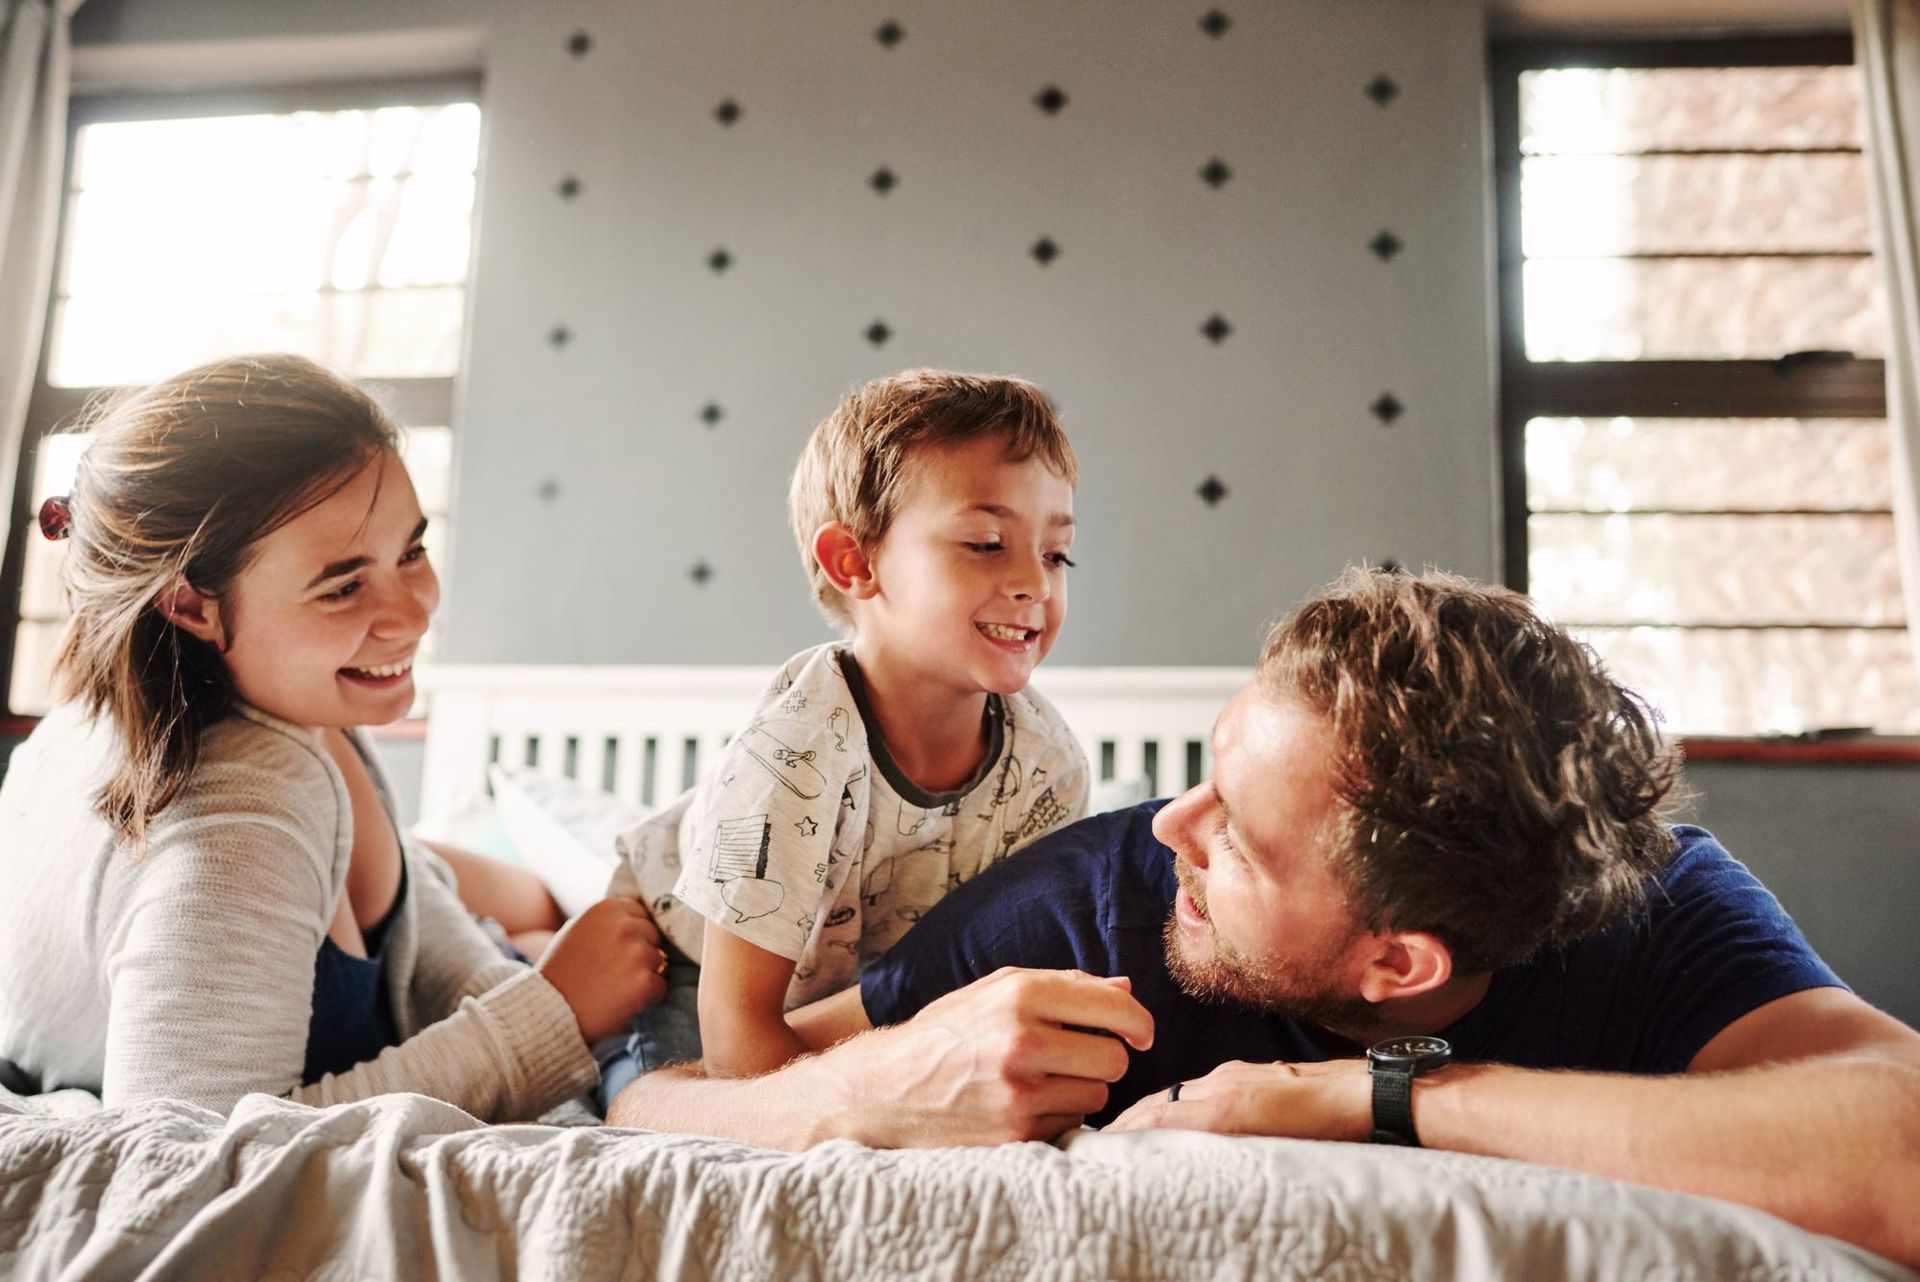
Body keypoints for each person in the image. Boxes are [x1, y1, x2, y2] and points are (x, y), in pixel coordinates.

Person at [609, 569, 1920, 1270]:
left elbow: (1901, 1150)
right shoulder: (1090, 906)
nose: (1173, 822)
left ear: (1399, 958)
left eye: (1235, 824)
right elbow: (649, 1108)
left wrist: (1370, 1095)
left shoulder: (1656, 901)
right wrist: (885, 1077)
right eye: (1207, 767)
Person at [0, 354, 667, 1118]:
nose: (416, 611)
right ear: (189, 605)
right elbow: (195, 1154)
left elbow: (421, 916)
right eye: (344, 585)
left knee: (559, 899)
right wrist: (555, 1016)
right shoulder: (233, 816)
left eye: (411, 551)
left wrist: (516, 989)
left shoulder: (230, 704)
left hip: (434, 905)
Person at [602, 369, 1090, 1092]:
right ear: (855, 563)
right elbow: (736, 1040)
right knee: (692, 1117)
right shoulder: (798, 754)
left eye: (1056, 553)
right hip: (694, 977)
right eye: (987, 542)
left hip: (853, 998)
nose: (1036, 584)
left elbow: (999, 976)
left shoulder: (1048, 769)